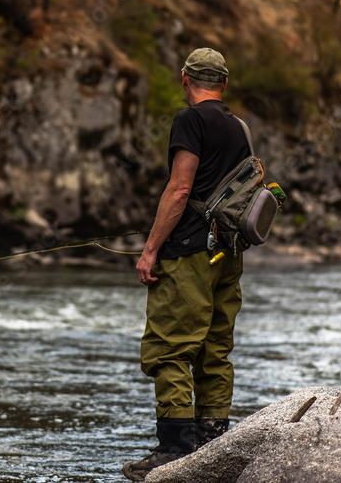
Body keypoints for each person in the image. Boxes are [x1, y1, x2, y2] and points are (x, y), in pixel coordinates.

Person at [123, 47, 251, 482]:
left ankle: (174, 450)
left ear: (185, 79)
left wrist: (150, 250)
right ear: (224, 83)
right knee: (215, 348)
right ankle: (213, 443)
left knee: (171, 347)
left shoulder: (189, 121)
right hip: (228, 253)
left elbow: (180, 190)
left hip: (189, 252)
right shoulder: (240, 127)